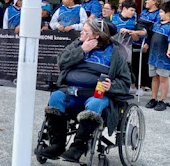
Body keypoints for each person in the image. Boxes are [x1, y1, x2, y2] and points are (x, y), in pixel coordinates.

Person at [39, 19, 131, 162]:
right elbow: (61, 61)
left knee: (95, 104)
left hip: (96, 94)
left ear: (96, 35)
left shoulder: (115, 54)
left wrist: (111, 86)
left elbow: (125, 82)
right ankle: (57, 145)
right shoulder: (77, 45)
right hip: (70, 92)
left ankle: (78, 147)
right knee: (56, 97)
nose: (81, 32)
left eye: (85, 31)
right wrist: (82, 50)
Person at [146, 0, 170, 111]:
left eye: (161, 12)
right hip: (153, 55)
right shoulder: (157, 24)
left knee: (163, 79)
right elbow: (150, 36)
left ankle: (163, 100)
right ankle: (153, 98)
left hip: (164, 57)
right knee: (154, 78)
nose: (159, 14)